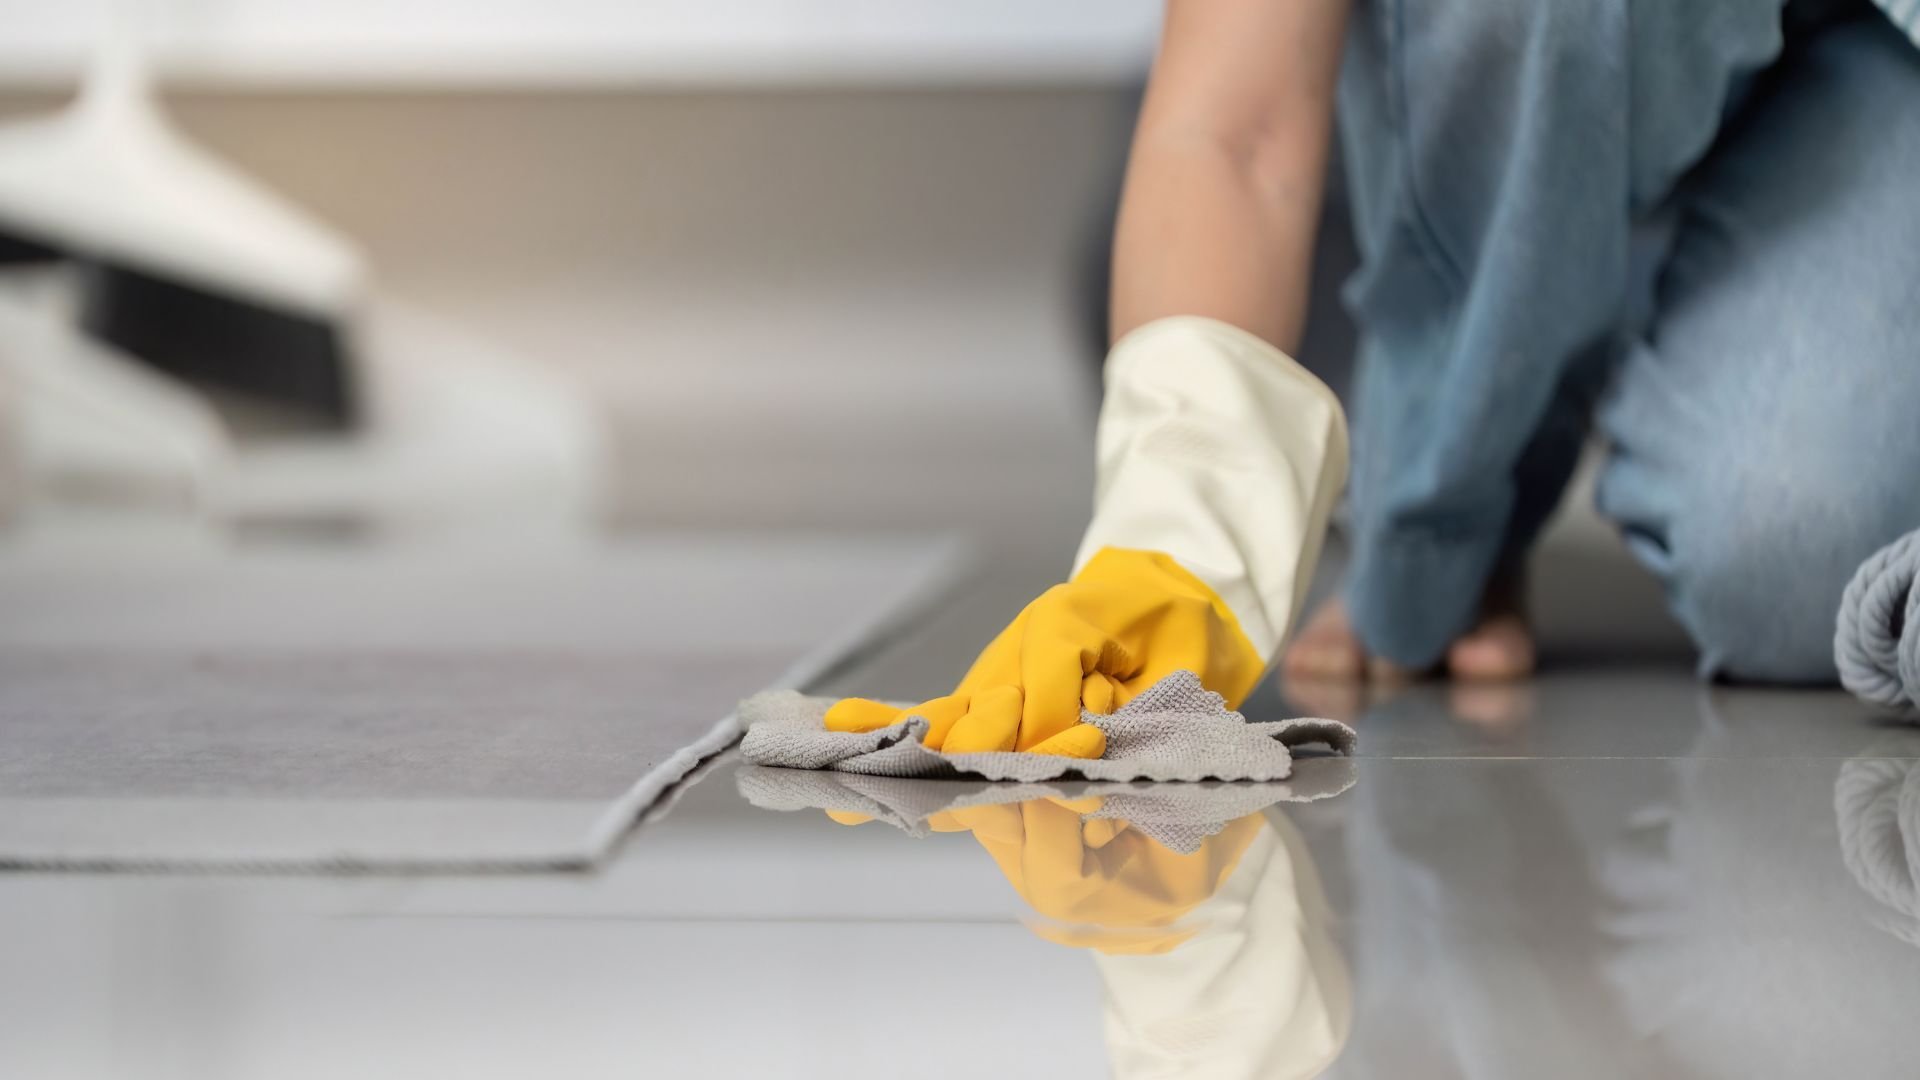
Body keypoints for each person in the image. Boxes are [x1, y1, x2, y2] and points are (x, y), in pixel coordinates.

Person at [830, 0, 1920, 753]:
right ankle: (1487, 336)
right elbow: (1239, 126)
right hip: (1440, 91)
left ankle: (1598, 282)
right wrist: (1177, 545)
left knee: (1804, 546)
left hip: (1851, 61)